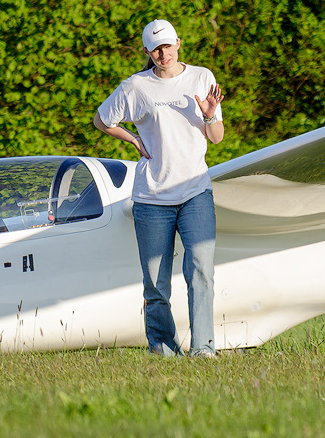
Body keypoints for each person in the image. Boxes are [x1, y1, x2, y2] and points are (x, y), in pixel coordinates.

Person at [93, 19, 227, 357]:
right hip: (152, 198)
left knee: (200, 269)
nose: (162, 53)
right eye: (155, 48)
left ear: (178, 43)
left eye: (167, 45)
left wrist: (210, 116)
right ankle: (164, 350)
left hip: (195, 190)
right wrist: (133, 139)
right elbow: (102, 119)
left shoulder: (201, 78)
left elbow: (217, 137)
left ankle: (204, 350)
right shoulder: (135, 86)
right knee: (156, 283)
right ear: (146, 51)